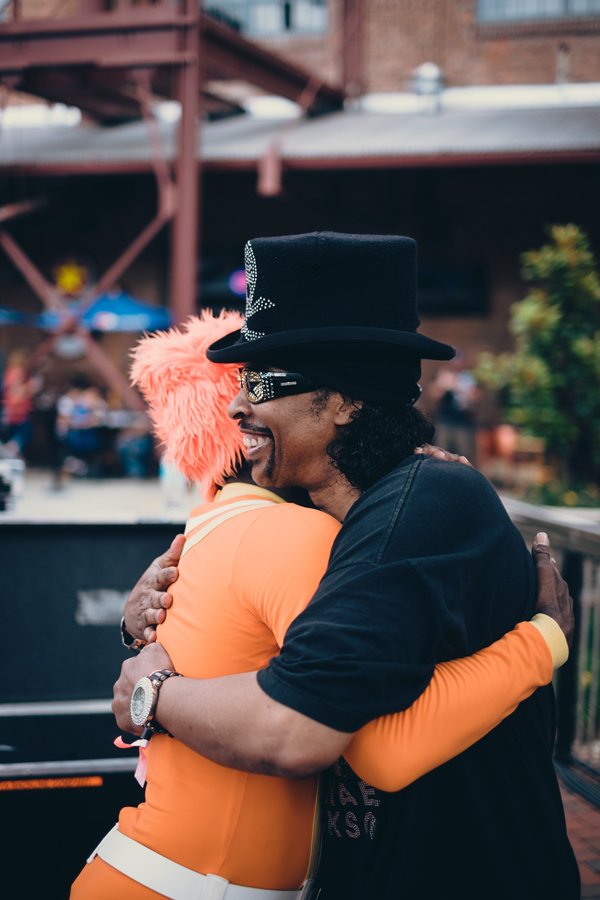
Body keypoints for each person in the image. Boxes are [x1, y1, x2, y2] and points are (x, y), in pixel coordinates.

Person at [113, 233, 579, 900]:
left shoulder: (420, 506)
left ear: (346, 400)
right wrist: (143, 611)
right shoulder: (345, 511)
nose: (238, 406)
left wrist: (151, 693)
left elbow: (296, 729)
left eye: (262, 382)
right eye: (240, 384)